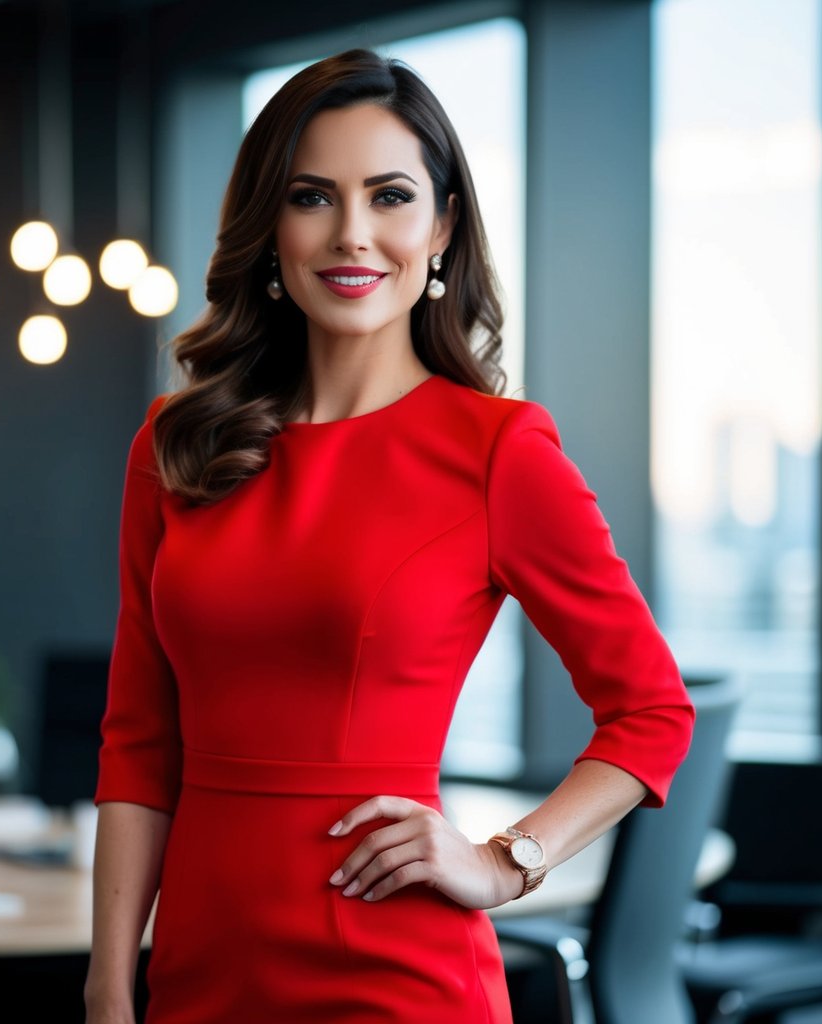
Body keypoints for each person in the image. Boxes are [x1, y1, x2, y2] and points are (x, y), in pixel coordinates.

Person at [84, 48, 695, 1024]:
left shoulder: (498, 453)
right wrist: (108, 987)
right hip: (200, 973)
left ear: (441, 226)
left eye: (390, 196)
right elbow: (139, 742)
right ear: (269, 227)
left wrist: (505, 862)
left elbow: (652, 711)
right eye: (312, 197)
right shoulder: (176, 446)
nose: (351, 233)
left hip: (398, 977)